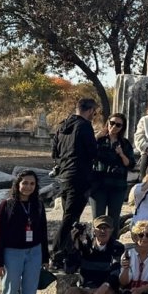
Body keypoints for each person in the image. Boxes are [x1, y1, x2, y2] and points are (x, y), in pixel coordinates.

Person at [51, 98, 98, 269]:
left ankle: (67, 253)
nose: (95, 115)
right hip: (79, 177)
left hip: (64, 176)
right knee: (70, 218)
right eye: (95, 112)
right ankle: (56, 253)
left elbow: (54, 152)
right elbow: (93, 151)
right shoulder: (84, 126)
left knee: (69, 216)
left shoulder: (62, 126)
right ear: (90, 110)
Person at [0, 169, 49, 294]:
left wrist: (45, 257)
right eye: (25, 183)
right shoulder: (6, 205)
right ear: (17, 184)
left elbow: (43, 232)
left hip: (34, 252)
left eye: (32, 184)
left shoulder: (38, 205)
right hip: (12, 253)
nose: (28, 187)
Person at [90, 112, 135, 235]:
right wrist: (97, 137)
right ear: (107, 123)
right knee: (97, 218)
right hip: (98, 185)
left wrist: (121, 153)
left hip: (117, 185)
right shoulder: (98, 140)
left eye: (118, 125)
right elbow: (87, 153)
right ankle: (95, 246)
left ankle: (113, 247)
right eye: (112, 123)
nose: (114, 126)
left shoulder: (124, 143)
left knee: (113, 219)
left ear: (122, 127)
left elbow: (130, 164)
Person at [64, 216, 125, 294]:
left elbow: (116, 271)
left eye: (106, 228)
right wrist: (74, 247)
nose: (103, 231)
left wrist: (103, 287)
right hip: (85, 288)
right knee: (71, 293)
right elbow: (69, 269)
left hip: (106, 288)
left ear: (112, 230)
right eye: (99, 228)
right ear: (94, 230)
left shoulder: (117, 247)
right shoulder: (85, 245)